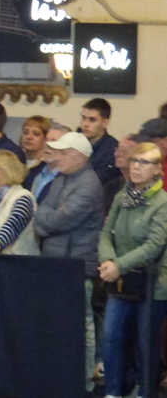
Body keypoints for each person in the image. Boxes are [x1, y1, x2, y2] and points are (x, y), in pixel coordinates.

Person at [33, 131, 104, 395]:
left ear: (77, 156)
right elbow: (41, 212)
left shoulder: (89, 185)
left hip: (76, 266)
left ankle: (84, 381)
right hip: (56, 263)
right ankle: (59, 376)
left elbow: (55, 220)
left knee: (82, 323)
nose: (57, 158)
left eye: (62, 153)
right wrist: (45, 220)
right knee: (56, 322)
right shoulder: (62, 178)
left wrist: (45, 221)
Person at [98, 142, 167, 398]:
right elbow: (106, 233)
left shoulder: (162, 203)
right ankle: (113, 391)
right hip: (120, 280)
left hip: (152, 284)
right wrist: (108, 260)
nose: (136, 167)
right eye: (134, 161)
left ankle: (143, 392)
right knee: (111, 336)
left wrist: (119, 265)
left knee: (144, 343)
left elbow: (154, 246)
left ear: (158, 169)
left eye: (144, 162)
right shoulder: (122, 197)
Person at [80, 99, 122, 201]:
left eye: (92, 120)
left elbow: (94, 184)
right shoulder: (75, 143)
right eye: (83, 118)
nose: (85, 124)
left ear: (105, 123)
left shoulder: (113, 151)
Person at [27, 122, 70, 198]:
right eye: (46, 140)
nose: (48, 144)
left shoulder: (69, 179)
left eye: (54, 141)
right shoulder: (33, 171)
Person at [20, 115, 50, 188]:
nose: (29, 137)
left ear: (45, 138)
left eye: (36, 134)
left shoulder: (47, 165)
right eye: (25, 132)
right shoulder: (15, 160)